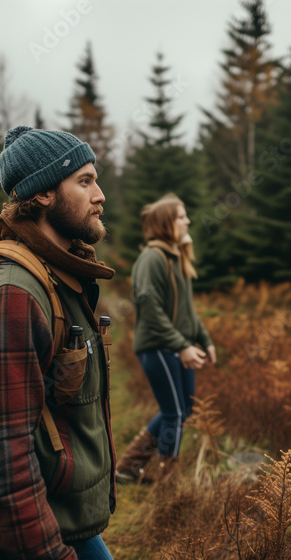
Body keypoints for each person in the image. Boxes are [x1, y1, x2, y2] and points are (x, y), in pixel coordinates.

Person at [0, 126, 116, 560]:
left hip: (58, 512)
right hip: (18, 537)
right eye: (84, 181)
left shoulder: (56, 276)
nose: (100, 195)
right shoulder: (11, 296)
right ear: (41, 195)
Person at [115, 193, 217, 483]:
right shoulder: (151, 258)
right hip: (158, 348)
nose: (187, 221)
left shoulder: (177, 257)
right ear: (166, 223)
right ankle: (166, 480)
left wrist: (204, 340)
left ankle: (129, 467)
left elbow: (187, 310)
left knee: (183, 411)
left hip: (175, 346)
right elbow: (150, 308)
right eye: (181, 216)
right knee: (173, 413)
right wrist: (182, 346)